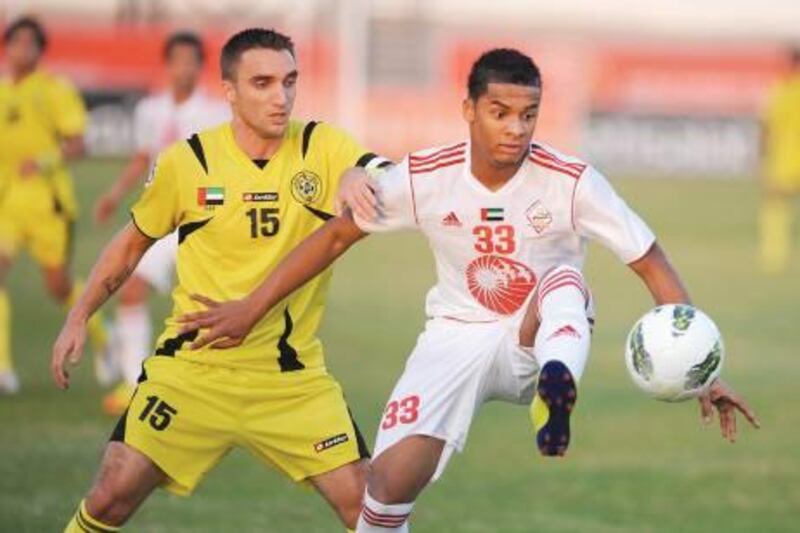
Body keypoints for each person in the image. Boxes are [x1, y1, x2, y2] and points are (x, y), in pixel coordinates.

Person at [177, 48, 761, 532]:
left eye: (528, 114)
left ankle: (557, 390)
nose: (516, 128)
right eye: (500, 112)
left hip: (536, 338)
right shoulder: (425, 176)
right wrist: (250, 308)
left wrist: (698, 371)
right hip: (453, 338)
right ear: (469, 110)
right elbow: (332, 239)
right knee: (382, 495)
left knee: (565, 282)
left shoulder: (572, 182)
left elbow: (649, 260)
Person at [51, 28, 390, 532]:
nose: (281, 96)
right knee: (109, 496)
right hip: (193, 370)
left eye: (289, 81)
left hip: (289, 380)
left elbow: (380, 171)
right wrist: (79, 315)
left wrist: (361, 175)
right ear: (229, 91)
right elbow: (130, 244)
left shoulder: (321, 145)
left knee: (368, 507)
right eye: (263, 83)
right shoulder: (188, 162)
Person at [93, 31, 230, 415]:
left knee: (208, 305)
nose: (184, 67)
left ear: (200, 67)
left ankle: (210, 385)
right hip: (160, 219)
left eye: (192, 61)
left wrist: (210, 208)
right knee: (131, 289)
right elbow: (142, 159)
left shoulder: (216, 115)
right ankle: (134, 383)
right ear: (168, 64)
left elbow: (226, 173)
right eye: (178, 60)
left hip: (199, 223)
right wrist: (113, 196)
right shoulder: (149, 110)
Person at [0, 16, 108, 395]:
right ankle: (3, 367)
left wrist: (42, 161)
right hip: (8, 202)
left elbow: (78, 144)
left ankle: (102, 339)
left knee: (58, 288)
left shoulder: (53, 89)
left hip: (48, 204)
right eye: (16, 42)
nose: (22, 49)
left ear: (40, 50)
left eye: (31, 43)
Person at [759, 47, 800, 274]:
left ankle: (775, 254)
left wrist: (762, 155)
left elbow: (766, 126)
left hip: (784, 160)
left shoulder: (781, 91)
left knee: (775, 206)